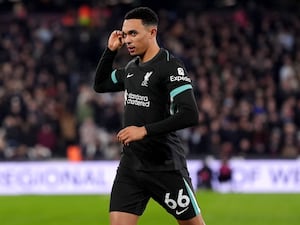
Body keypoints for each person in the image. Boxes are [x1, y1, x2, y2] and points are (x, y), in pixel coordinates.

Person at [93, 7, 207, 225]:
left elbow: (190, 115)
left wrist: (144, 130)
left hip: (164, 166)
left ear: (152, 32)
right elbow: (100, 84)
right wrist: (110, 51)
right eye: (124, 34)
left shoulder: (170, 67)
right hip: (131, 165)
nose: (127, 40)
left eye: (133, 33)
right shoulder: (131, 68)